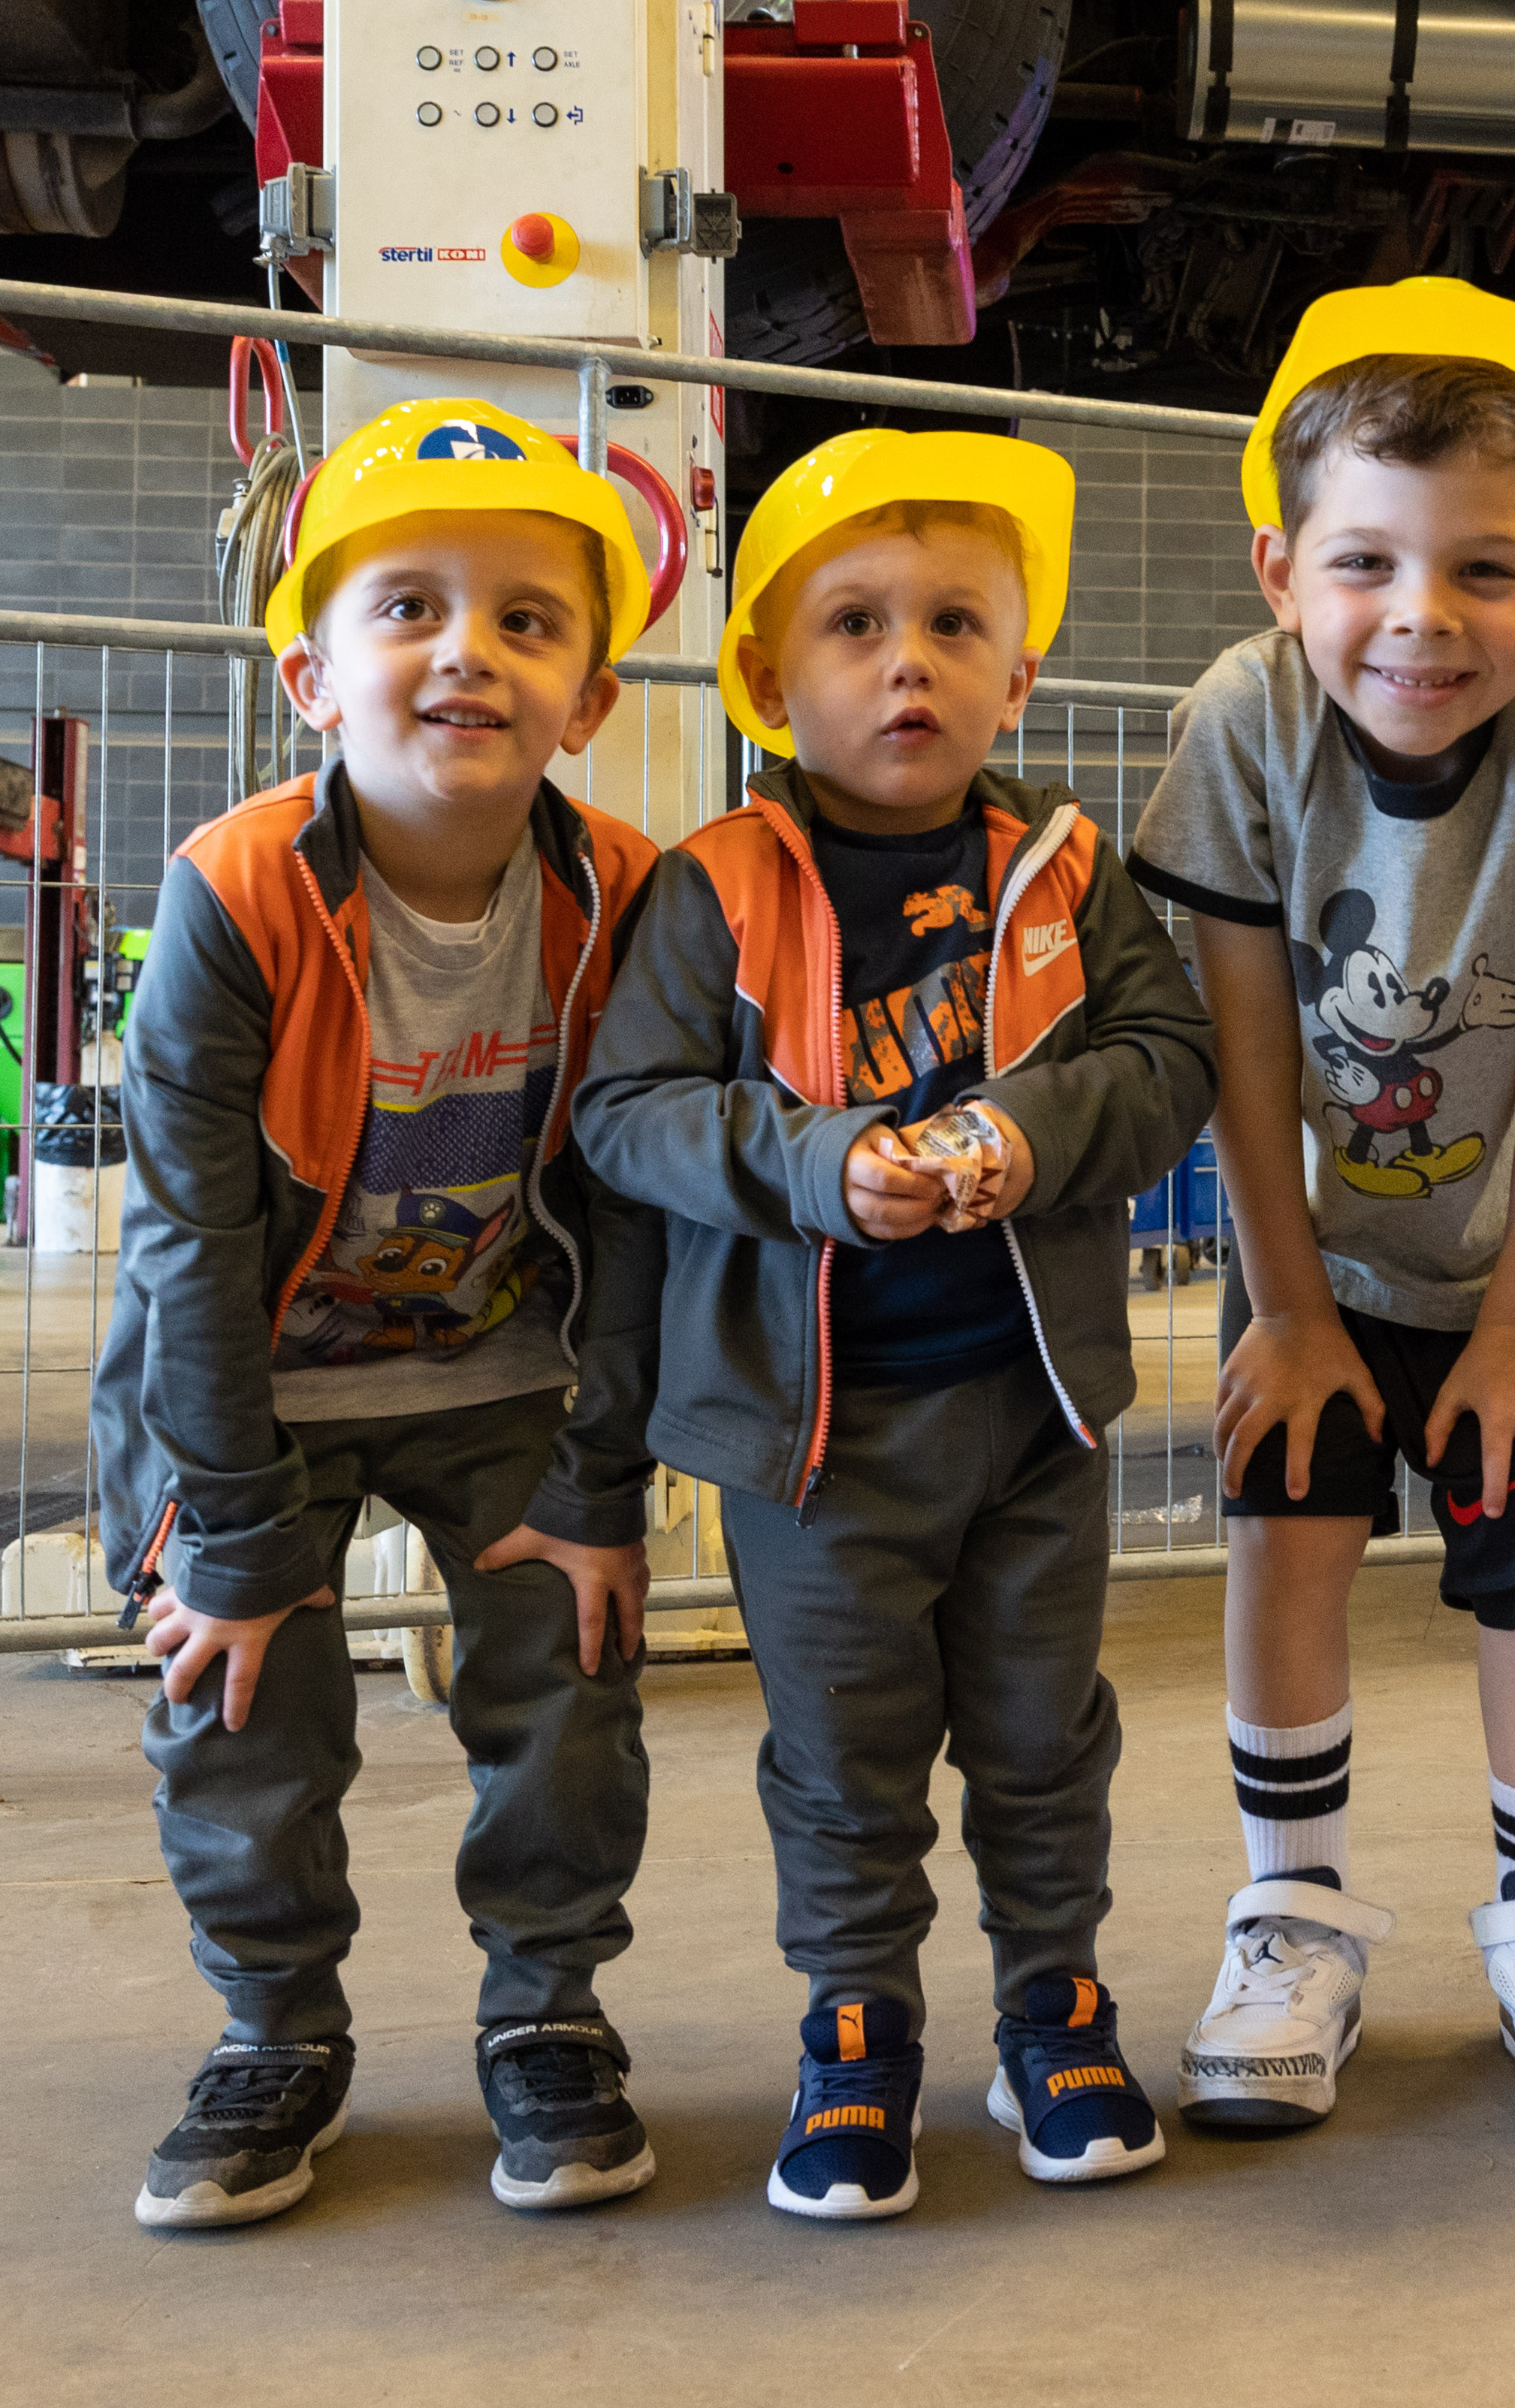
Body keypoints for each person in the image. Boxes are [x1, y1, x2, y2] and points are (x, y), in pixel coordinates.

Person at [571, 428, 1217, 2221]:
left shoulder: (1073, 875)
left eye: (951, 623)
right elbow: (628, 1115)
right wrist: (818, 1164)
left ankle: (1052, 2005)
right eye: (852, 624)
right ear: (767, 676)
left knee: (1039, 1728)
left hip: (1029, 1419)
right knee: (843, 1750)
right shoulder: (709, 886)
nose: (905, 661)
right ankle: (855, 2030)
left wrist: (1029, 1131)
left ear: (1020, 672)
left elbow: (1167, 1069)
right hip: (813, 1441)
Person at [93, 399, 668, 2231]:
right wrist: (239, 1531)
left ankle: (547, 2017)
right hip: (250, 1374)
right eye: (406, 607)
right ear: (310, 677)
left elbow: (641, 1210)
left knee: (567, 1679)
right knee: (236, 1693)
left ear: (586, 696)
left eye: (526, 619)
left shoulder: (631, 895)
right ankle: (276, 2028)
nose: (465, 652)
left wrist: (596, 1484)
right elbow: (188, 1232)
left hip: (506, 1364)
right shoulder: (234, 893)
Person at [1126, 280, 1515, 2138]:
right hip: (1309, 1244)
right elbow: (1241, 1048)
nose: (1420, 620)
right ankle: (1288, 1905)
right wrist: (1284, 1313)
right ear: (1281, 568)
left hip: (1507, 1252)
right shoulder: (1240, 718)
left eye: (1481, 571)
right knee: (1284, 1520)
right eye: (1365, 563)